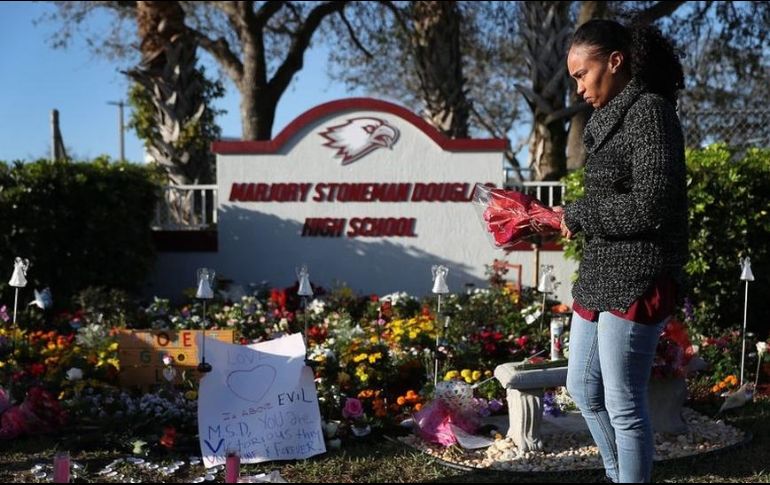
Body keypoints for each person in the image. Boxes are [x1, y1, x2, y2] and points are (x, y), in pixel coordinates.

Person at [558, 19, 688, 483]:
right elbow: (611, 199)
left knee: (623, 402)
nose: (578, 88)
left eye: (582, 74)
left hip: (640, 274)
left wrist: (581, 214)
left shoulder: (650, 112)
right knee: (581, 388)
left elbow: (651, 205)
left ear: (615, 62)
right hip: (600, 272)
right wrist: (568, 217)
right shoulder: (606, 119)